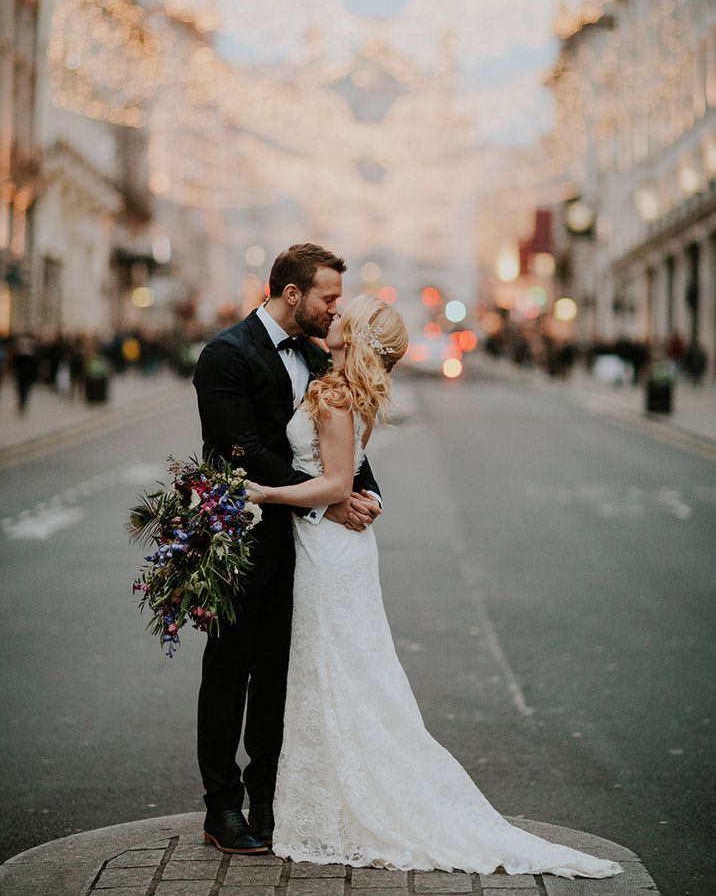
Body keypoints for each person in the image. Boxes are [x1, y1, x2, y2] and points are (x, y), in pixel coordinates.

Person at [247, 295, 622, 881]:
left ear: (358, 336)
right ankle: (331, 794)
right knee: (338, 669)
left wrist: (265, 493)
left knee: (337, 668)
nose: (337, 314)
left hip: (330, 552)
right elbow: (346, 481)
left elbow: (336, 484)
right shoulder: (340, 387)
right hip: (329, 546)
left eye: (347, 314)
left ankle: (350, 801)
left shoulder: (338, 394)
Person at [192, 244, 383, 855]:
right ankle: (221, 808)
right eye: (329, 297)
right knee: (229, 670)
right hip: (245, 537)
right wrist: (327, 499)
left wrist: (365, 489)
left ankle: (268, 796)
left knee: (279, 672)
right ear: (292, 293)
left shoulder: (314, 350)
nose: (337, 308)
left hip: (303, 544)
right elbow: (242, 446)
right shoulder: (225, 355)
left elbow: (339, 437)